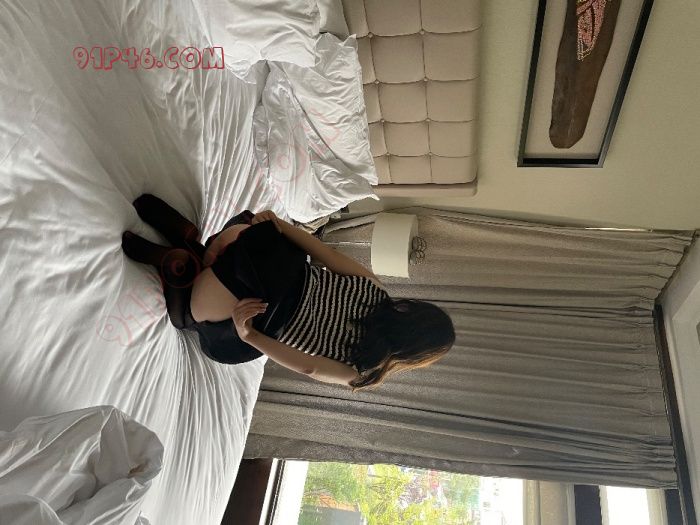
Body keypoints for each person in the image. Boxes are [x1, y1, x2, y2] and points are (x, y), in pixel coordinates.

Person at [121, 194, 455, 390]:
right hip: (247, 304)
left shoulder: (376, 290)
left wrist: (277, 225)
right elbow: (309, 368)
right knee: (191, 322)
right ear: (413, 354)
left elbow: (327, 255)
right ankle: (176, 264)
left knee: (244, 223)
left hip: (263, 256)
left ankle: (197, 244)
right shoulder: (362, 371)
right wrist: (249, 334)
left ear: (412, 311)